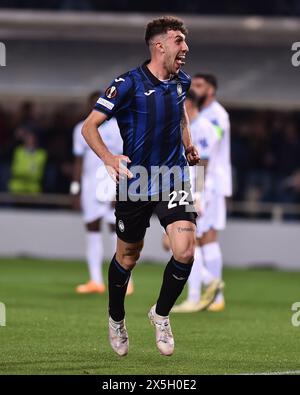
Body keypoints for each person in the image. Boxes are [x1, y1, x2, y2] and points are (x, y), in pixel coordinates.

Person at [82, 16, 199, 357]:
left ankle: (161, 314)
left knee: (186, 250)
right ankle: (116, 318)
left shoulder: (182, 81)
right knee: (128, 256)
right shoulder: (128, 83)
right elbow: (90, 127)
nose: (186, 48)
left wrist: (188, 143)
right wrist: (108, 158)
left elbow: (180, 114)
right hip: (136, 179)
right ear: (159, 45)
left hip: (174, 175)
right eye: (179, 40)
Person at [174, 73, 231, 312]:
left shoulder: (214, 117)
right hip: (200, 184)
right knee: (200, 239)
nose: (195, 88)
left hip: (206, 185)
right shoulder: (199, 120)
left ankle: (202, 292)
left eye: (199, 85)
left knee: (189, 239)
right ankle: (212, 292)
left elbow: (204, 159)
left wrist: (196, 193)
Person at [71, 91, 134, 295]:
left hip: (110, 181)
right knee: (92, 227)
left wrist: (122, 190)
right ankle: (95, 280)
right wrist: (75, 189)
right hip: (89, 184)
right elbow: (78, 160)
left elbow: (125, 159)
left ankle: (126, 279)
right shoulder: (81, 128)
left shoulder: (118, 128)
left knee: (117, 229)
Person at [8, 126, 47, 194]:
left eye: (32, 138)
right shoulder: (18, 151)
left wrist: (23, 173)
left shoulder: (42, 154)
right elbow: (15, 171)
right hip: (16, 189)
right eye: (28, 137)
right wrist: (28, 173)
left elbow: (38, 175)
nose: (30, 140)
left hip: (33, 190)